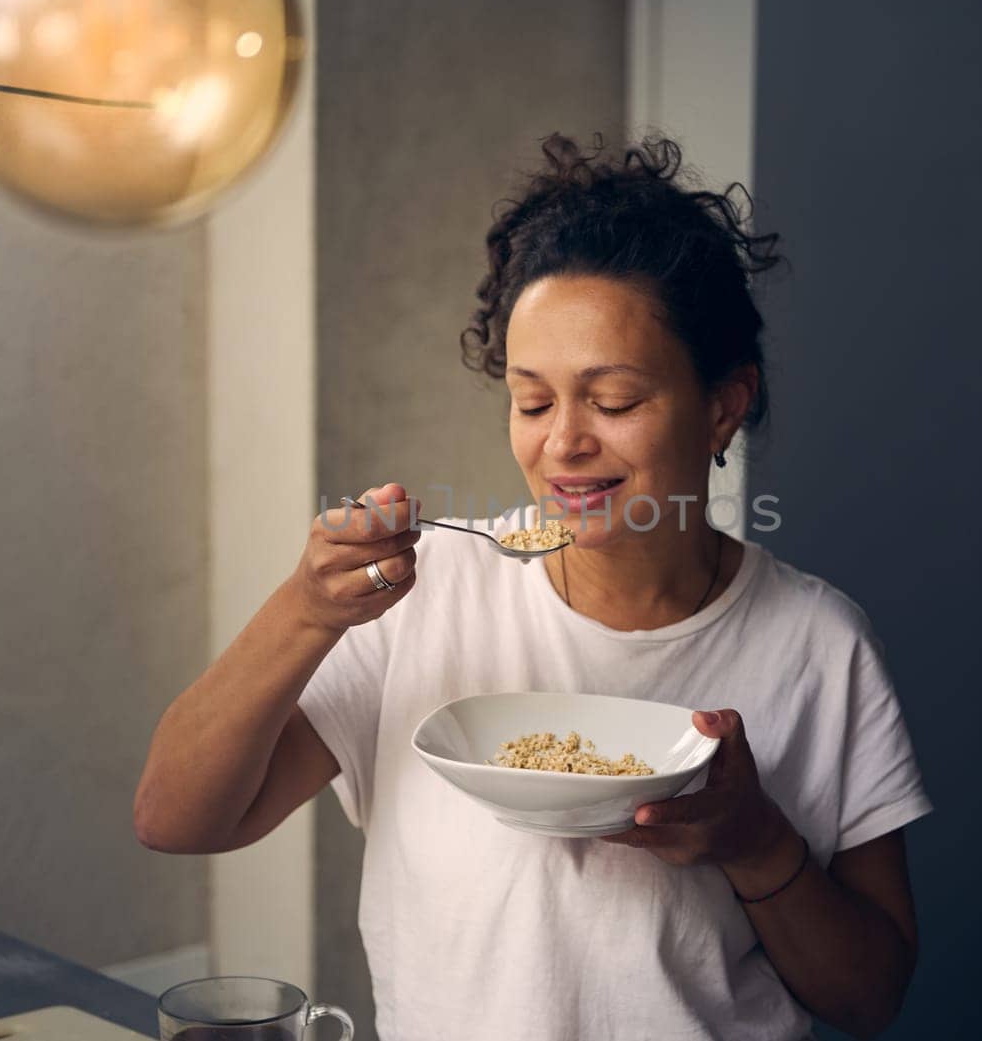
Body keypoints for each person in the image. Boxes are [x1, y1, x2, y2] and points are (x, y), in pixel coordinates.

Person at [134, 135, 932, 1040]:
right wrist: (306, 609)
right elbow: (175, 816)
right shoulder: (431, 594)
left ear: (722, 404)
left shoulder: (820, 643)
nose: (563, 444)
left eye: (615, 400)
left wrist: (754, 841)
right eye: (533, 400)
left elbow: (871, 997)